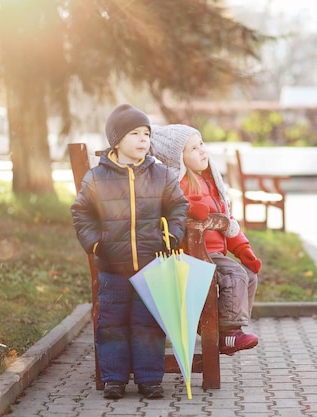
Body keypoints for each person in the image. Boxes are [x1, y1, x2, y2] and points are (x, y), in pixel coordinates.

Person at [71, 104, 189, 400]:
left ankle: (150, 379)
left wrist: (172, 235)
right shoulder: (97, 178)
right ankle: (114, 379)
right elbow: (81, 212)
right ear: (116, 140)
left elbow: (179, 207)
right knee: (112, 323)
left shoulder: (160, 175)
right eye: (134, 133)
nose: (143, 139)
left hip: (152, 264)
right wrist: (97, 244)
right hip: (113, 266)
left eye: (146, 133)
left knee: (148, 322)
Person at [150, 124, 260, 355]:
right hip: (193, 254)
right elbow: (172, 205)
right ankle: (228, 333)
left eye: (201, 144)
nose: (201, 151)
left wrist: (242, 248)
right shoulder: (176, 183)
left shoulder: (208, 181)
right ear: (178, 158)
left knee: (249, 276)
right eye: (192, 148)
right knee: (235, 274)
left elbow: (226, 220)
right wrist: (191, 209)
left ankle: (223, 330)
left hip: (214, 252)